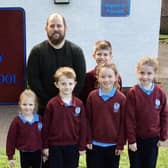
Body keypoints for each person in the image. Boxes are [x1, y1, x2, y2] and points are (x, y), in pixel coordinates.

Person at [27, 12, 86, 115]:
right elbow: (33, 81)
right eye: (52, 26)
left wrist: (67, 101)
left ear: (65, 28)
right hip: (44, 109)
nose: (55, 29)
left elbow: (80, 80)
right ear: (46, 28)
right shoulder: (37, 52)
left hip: (70, 107)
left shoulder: (76, 52)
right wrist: (51, 103)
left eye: (59, 26)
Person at [125, 57, 168, 168]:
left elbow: (164, 115)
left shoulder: (160, 93)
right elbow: (129, 118)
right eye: (142, 73)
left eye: (149, 73)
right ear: (137, 73)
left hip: (153, 139)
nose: (145, 77)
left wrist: (163, 137)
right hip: (137, 139)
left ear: (154, 74)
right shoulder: (133, 93)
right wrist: (132, 140)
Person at [42, 67, 86, 168]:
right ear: (57, 84)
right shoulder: (52, 104)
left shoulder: (79, 104)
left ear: (75, 84)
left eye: (70, 84)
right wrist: (45, 146)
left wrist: (82, 145)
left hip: (73, 146)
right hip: (55, 146)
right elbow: (46, 127)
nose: (67, 87)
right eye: (63, 84)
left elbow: (83, 126)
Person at [86, 63, 126, 168]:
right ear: (98, 78)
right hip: (94, 145)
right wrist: (88, 139)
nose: (106, 79)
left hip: (113, 146)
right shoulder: (92, 96)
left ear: (116, 78)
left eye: (110, 76)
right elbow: (87, 120)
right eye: (103, 76)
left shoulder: (121, 98)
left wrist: (120, 143)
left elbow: (123, 123)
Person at [6, 89, 42, 168]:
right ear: (20, 104)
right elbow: (11, 139)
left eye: (30, 104)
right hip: (23, 153)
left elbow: (44, 135)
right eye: (24, 104)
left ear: (35, 105)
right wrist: (10, 156)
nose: (27, 107)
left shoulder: (39, 119)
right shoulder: (17, 121)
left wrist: (45, 148)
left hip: (37, 152)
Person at [79, 40, 122, 105]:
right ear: (94, 56)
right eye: (99, 54)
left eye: (105, 54)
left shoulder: (116, 78)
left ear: (110, 57)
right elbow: (83, 101)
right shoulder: (87, 77)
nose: (102, 57)